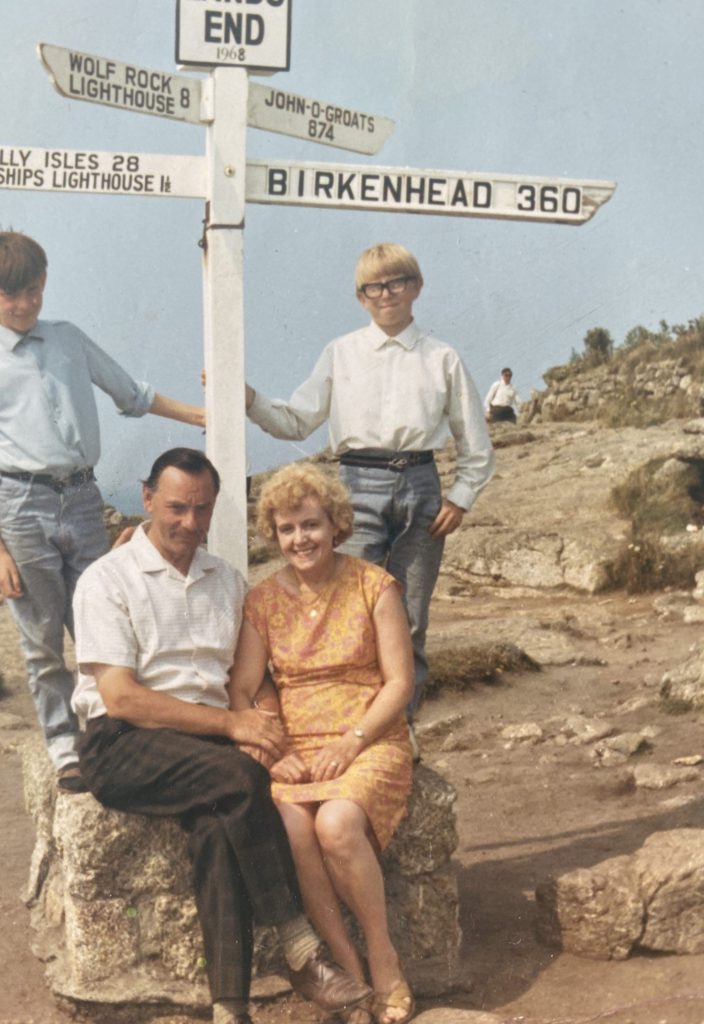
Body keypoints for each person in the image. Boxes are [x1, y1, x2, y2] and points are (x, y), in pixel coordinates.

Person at [70, 447, 371, 1024]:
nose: (190, 522)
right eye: (176, 508)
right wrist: (234, 727)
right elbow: (122, 698)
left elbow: (253, 680)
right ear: (147, 498)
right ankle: (301, 948)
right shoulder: (107, 579)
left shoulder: (226, 581)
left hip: (204, 750)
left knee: (218, 825)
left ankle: (229, 1007)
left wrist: (266, 730)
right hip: (123, 743)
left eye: (202, 509)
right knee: (240, 778)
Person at [0, 230, 207, 791]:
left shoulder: (69, 340)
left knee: (107, 621)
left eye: (33, 290)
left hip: (83, 498)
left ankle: (115, 732)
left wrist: (202, 416)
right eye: (10, 294)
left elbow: (132, 394)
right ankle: (65, 748)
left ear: (44, 282)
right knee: (42, 636)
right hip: (22, 507)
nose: (24, 304)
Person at [244, 243, 494, 724]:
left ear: (416, 287)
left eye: (397, 282)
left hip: (421, 486)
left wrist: (461, 498)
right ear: (360, 297)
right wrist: (250, 399)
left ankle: (401, 727)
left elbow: (475, 442)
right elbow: (296, 421)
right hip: (356, 486)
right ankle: (345, 719)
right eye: (373, 287)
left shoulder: (442, 357)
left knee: (410, 614)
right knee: (347, 609)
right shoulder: (341, 353)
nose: (386, 294)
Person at [228, 463, 416, 1024]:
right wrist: (274, 750)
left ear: (336, 524)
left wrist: (352, 742)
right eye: (286, 529)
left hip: (368, 738)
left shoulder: (373, 585)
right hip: (298, 746)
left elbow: (400, 683)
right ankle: (348, 971)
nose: (300, 539)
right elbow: (241, 688)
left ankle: (383, 959)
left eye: (310, 524)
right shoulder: (263, 600)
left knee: (335, 824)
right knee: (290, 827)